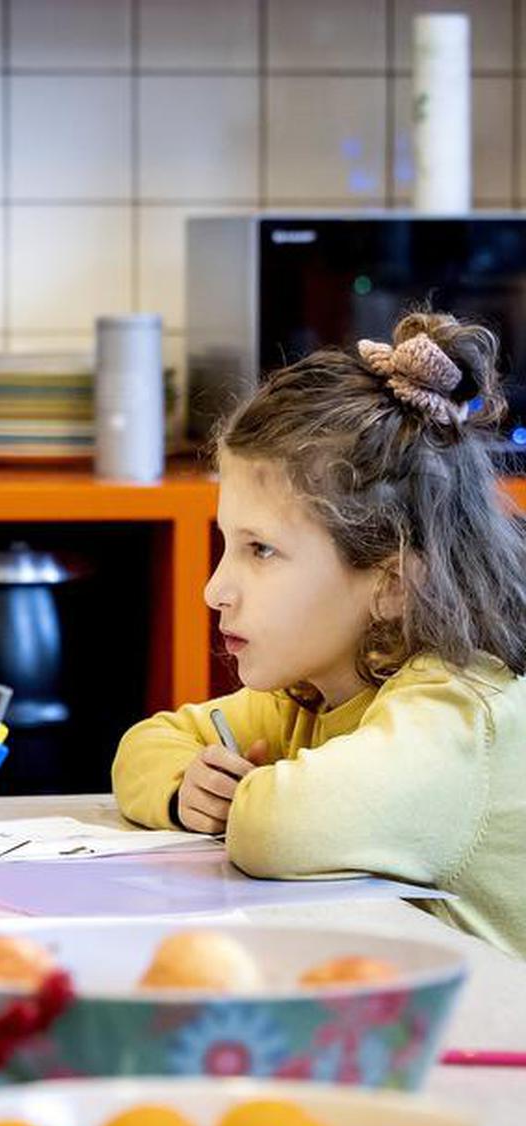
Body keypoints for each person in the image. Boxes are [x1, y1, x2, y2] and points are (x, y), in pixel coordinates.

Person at [114, 312, 526, 955]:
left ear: (391, 584)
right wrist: (185, 788)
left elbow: (282, 829)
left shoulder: (456, 712)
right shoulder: (320, 690)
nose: (214, 590)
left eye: (261, 551)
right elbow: (146, 745)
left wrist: (243, 799)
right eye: (228, 545)